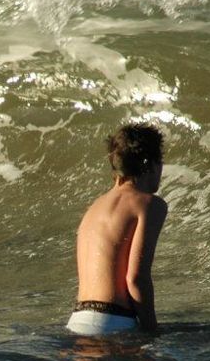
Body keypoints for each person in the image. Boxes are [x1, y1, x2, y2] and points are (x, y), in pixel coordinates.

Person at [67, 123, 168, 335]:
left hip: (77, 322)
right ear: (149, 164)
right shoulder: (148, 204)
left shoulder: (93, 208)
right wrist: (152, 331)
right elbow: (136, 279)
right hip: (114, 322)